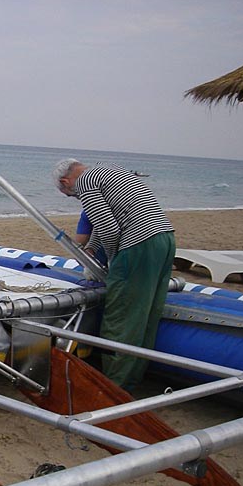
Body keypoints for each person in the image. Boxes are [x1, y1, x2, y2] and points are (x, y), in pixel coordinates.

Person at [52, 158, 175, 390]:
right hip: (164, 238)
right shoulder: (108, 169)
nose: (76, 197)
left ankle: (114, 384)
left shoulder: (84, 182)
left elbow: (109, 229)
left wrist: (110, 262)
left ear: (66, 182)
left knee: (120, 315)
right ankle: (133, 378)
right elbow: (107, 221)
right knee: (147, 314)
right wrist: (91, 249)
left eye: (70, 195)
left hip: (137, 244)